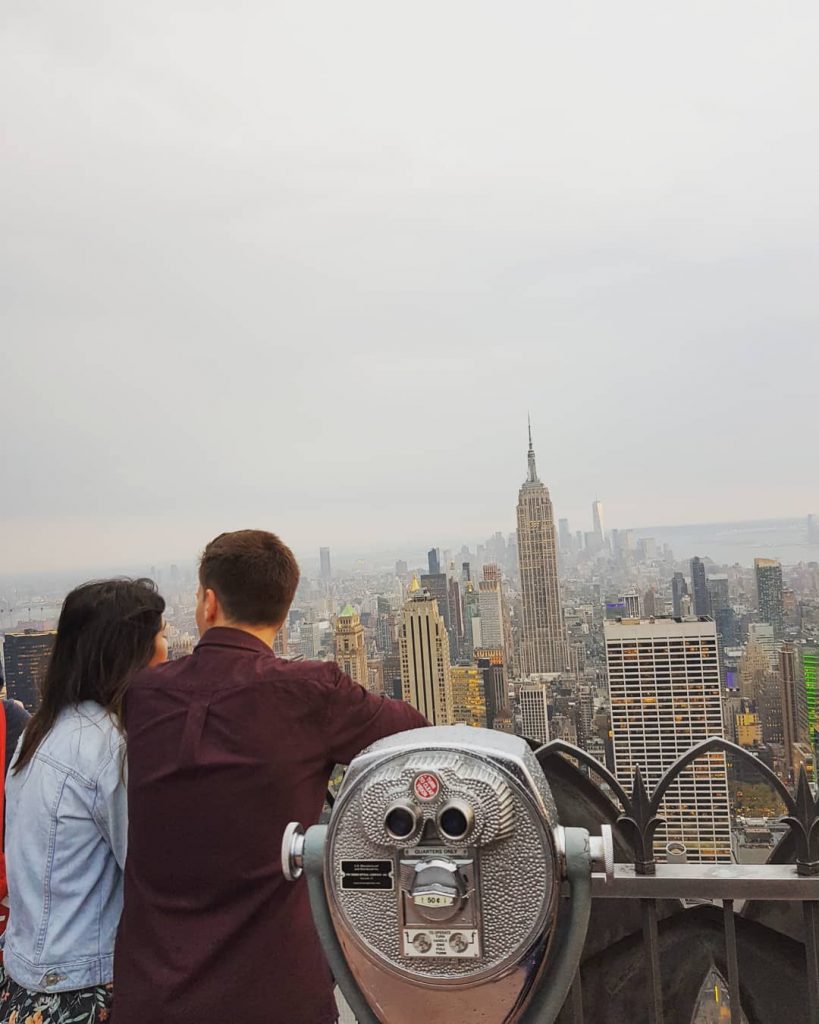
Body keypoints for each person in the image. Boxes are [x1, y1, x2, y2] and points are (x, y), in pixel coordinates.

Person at [114, 529, 428, 1024]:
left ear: (208, 603)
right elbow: (418, 735)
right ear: (284, 614)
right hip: (274, 994)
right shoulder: (310, 693)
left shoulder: (143, 694)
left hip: (151, 996)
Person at [0, 579, 167, 1024]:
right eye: (160, 637)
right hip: (85, 991)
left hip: (25, 982)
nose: (167, 652)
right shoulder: (110, 748)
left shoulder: (39, 732)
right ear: (128, 654)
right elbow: (151, 872)